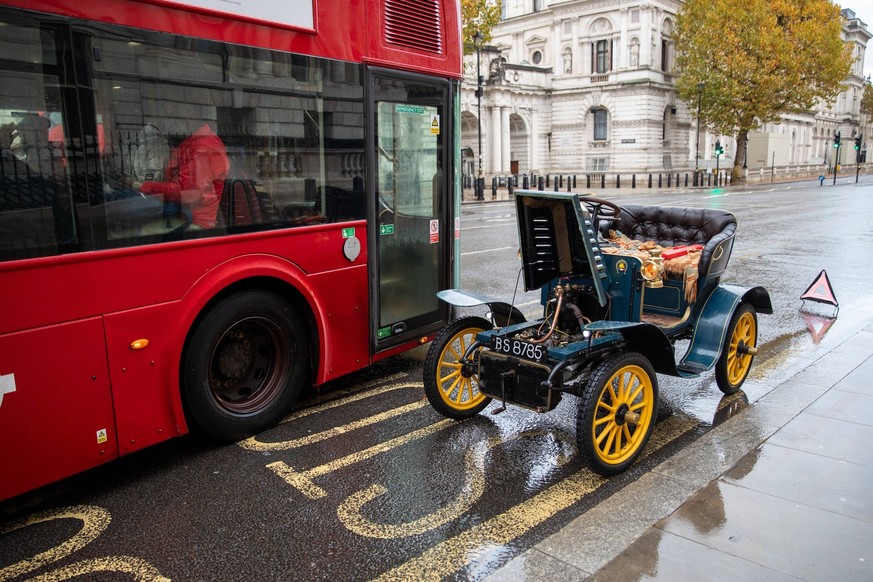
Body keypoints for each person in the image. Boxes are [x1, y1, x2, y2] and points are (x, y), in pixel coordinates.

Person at [130, 123, 229, 229]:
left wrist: (139, 186)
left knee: (139, 231)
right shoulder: (192, 142)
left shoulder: (203, 147)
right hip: (183, 213)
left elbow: (184, 191)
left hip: (195, 221)